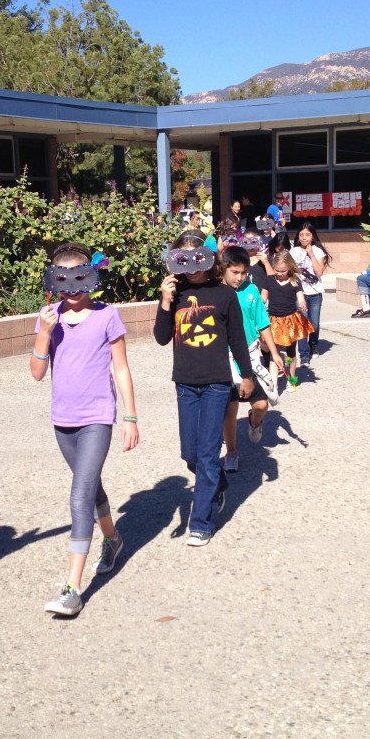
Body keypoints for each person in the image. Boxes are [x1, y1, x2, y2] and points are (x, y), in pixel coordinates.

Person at [30, 242, 139, 616]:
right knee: (90, 486)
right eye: (64, 280)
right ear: (53, 280)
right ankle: (113, 538)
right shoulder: (49, 317)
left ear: (92, 277)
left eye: (81, 278)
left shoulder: (108, 316)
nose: (73, 289)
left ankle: (71, 589)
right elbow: (36, 372)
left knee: (79, 496)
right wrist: (45, 332)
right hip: (63, 420)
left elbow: (121, 368)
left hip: (97, 418)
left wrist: (130, 417)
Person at [154, 234, 255, 547]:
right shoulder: (177, 293)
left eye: (197, 258)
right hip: (185, 383)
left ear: (209, 258)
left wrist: (247, 375)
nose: (191, 267)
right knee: (190, 454)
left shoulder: (224, 295)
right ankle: (218, 483)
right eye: (182, 259)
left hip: (216, 383)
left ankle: (201, 523)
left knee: (209, 454)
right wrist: (166, 302)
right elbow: (160, 337)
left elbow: (237, 339)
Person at [219, 246, 285, 472]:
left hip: (250, 355)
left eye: (243, 272)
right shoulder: (216, 291)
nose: (239, 278)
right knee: (230, 408)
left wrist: (274, 353)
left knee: (261, 404)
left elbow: (262, 323)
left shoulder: (252, 291)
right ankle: (232, 452)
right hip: (224, 357)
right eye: (234, 272)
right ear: (223, 269)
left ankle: (255, 422)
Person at [261, 250, 315, 391]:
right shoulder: (269, 281)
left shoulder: (294, 280)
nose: (279, 273)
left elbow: (300, 295)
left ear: (290, 267)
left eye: (283, 271)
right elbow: (263, 299)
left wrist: (302, 302)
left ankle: (292, 379)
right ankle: (274, 384)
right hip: (274, 320)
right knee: (275, 352)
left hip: (291, 321)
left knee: (291, 352)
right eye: (277, 270)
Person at [290, 223, 331, 364]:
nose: (304, 238)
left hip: (315, 293)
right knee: (302, 323)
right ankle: (304, 356)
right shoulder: (293, 251)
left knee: (314, 324)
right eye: (301, 235)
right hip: (299, 293)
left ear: (312, 236)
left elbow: (319, 272)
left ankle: (313, 346)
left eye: (307, 235)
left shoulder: (318, 251)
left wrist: (311, 254)